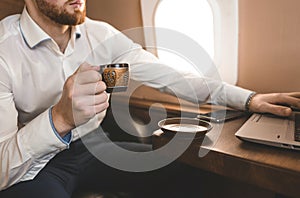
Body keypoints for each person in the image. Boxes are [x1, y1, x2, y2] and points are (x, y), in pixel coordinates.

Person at [0, 0, 299, 197]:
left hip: (97, 147)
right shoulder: (4, 50)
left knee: (187, 171)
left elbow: (172, 78)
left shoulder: (101, 35)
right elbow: (3, 167)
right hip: (39, 166)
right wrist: (60, 118)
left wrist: (250, 99)